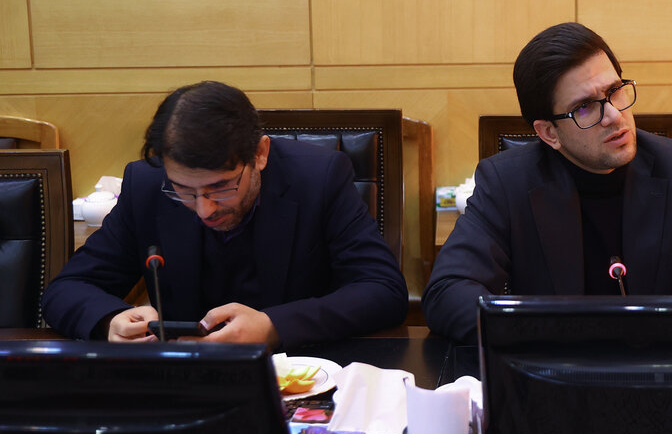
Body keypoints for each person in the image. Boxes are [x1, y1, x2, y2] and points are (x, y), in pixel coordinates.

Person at [422, 22, 672, 342]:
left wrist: (671, 331)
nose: (614, 115)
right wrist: (556, 335)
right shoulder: (506, 182)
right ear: (549, 133)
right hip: (554, 370)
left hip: (655, 367)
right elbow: (447, 293)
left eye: (615, 91)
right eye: (585, 107)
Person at [41, 81, 407, 348]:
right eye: (184, 190)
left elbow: (383, 290)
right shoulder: (147, 185)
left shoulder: (318, 178)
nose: (204, 209)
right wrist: (110, 320)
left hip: (301, 372)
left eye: (221, 187)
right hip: (186, 380)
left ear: (259, 154)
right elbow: (66, 289)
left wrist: (273, 326)